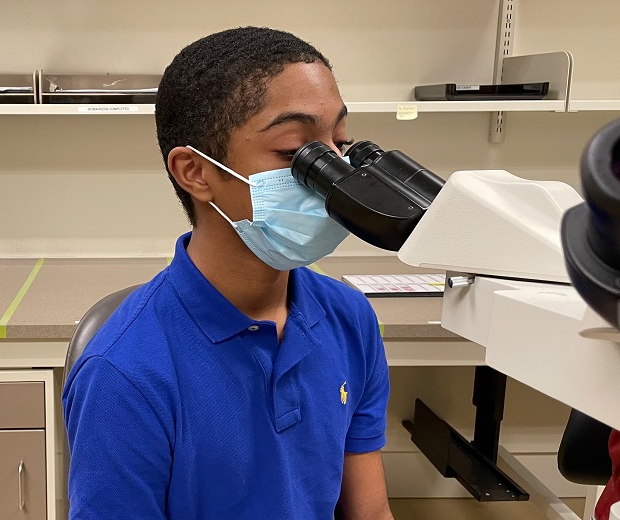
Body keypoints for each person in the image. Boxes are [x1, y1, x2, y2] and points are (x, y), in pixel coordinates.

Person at [63, 26, 394, 520]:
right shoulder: (125, 373)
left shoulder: (349, 318)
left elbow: (369, 511)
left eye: (339, 143)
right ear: (195, 172)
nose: (335, 175)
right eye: (294, 153)